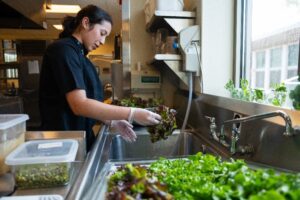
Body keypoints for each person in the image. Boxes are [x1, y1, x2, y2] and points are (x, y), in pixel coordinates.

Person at [39, 5, 161, 152]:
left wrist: (111, 121)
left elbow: (86, 104)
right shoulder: (63, 50)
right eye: (102, 33)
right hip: (62, 141)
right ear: (85, 23)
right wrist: (132, 113)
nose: (103, 41)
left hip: (78, 137)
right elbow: (79, 104)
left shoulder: (79, 55)